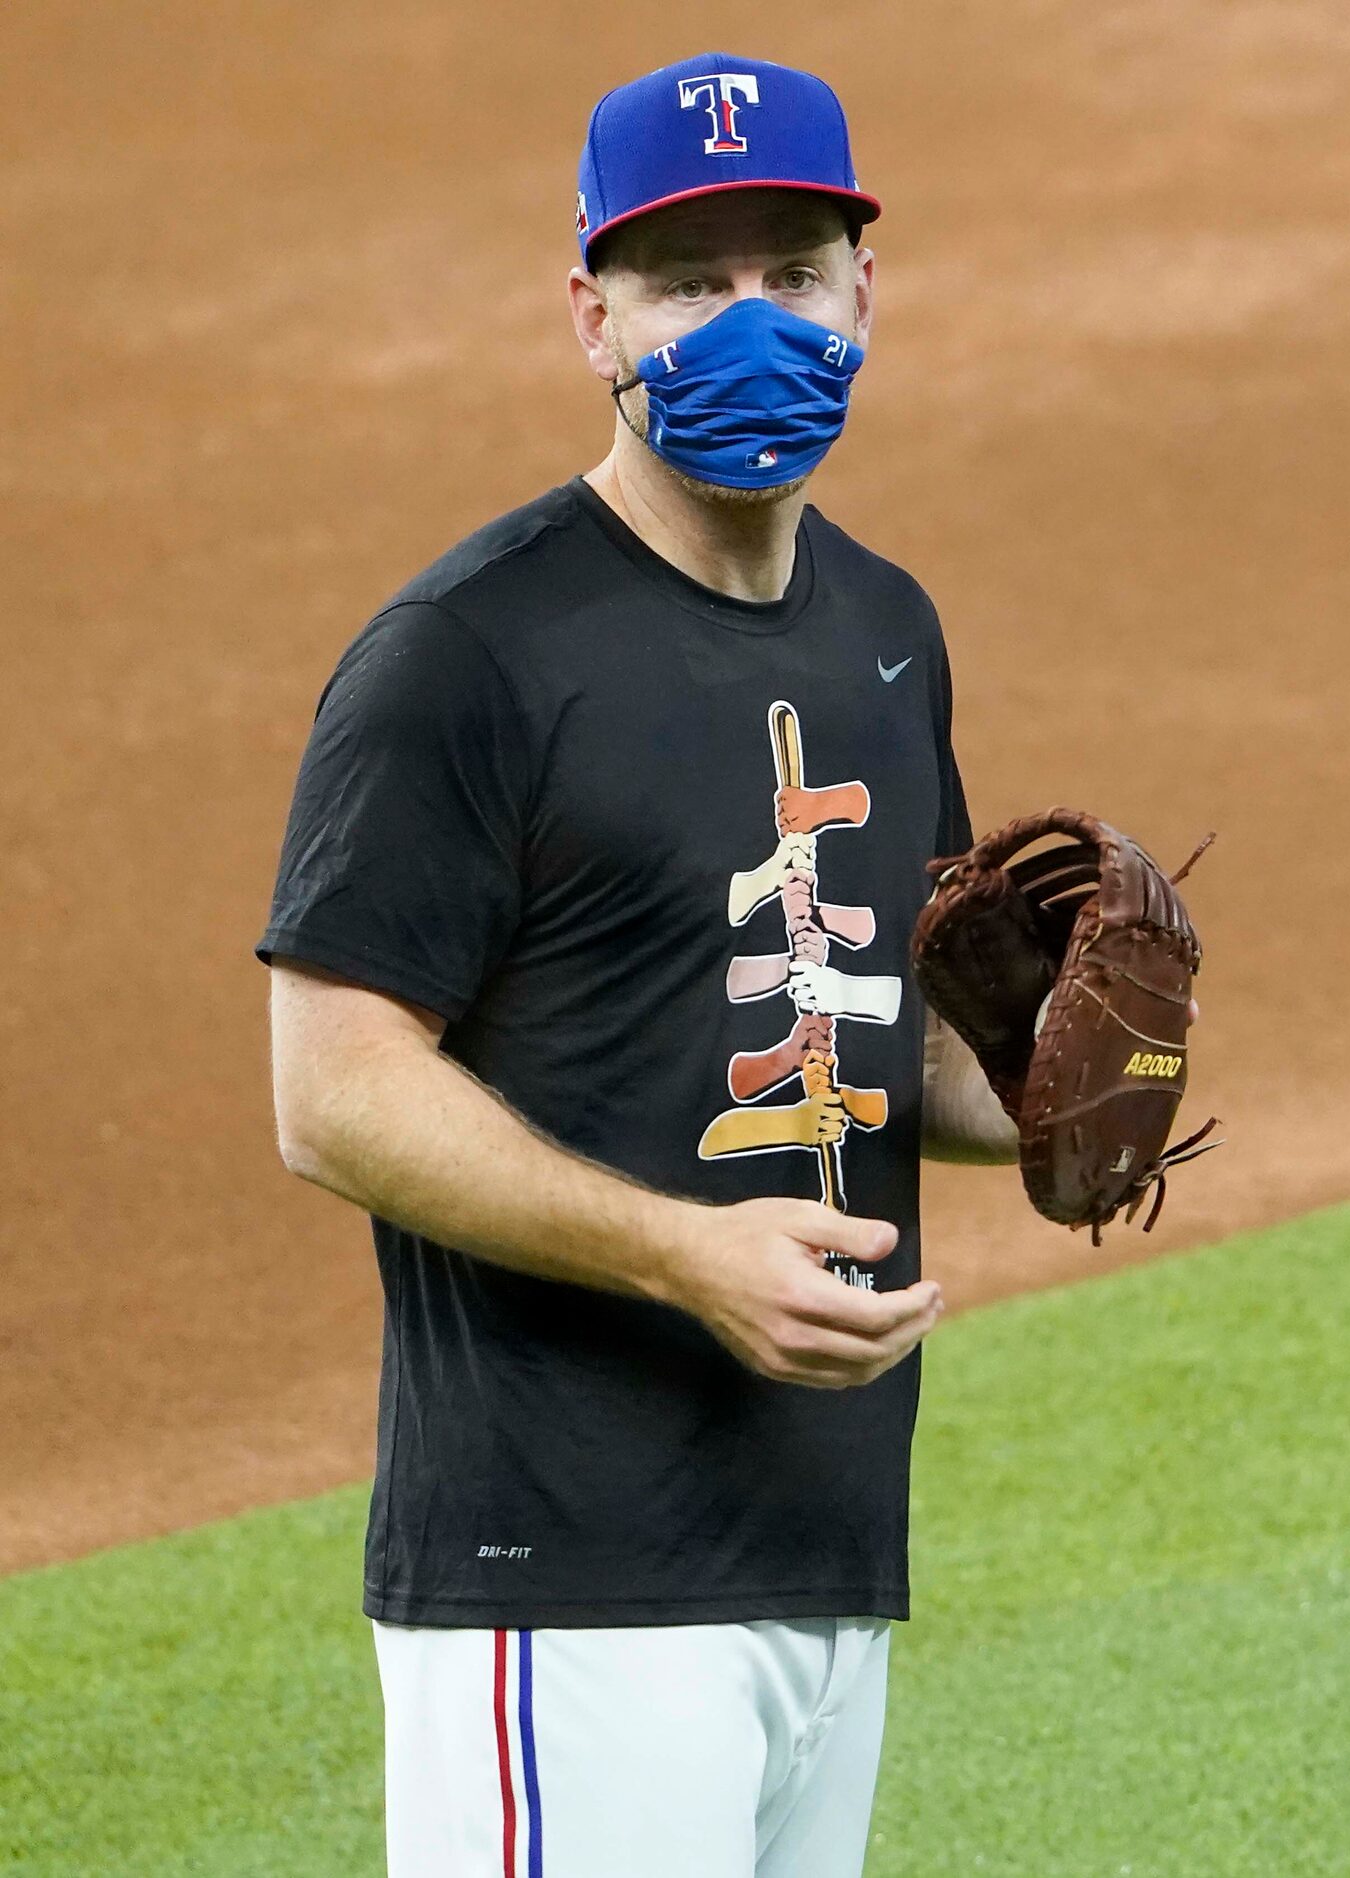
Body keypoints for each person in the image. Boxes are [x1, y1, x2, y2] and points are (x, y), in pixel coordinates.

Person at [259, 52, 1015, 1878]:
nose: (748, 325)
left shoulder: (885, 630)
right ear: (593, 320)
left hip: (825, 1544)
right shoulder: (470, 654)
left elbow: (869, 1018)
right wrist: (686, 1255)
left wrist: (1074, 1084)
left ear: (864, 292)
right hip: (563, 1571)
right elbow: (331, 1089)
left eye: (790, 273)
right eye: (688, 287)